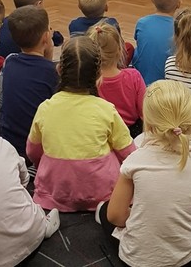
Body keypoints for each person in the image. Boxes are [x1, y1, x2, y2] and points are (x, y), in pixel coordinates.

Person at [96, 80, 191, 267]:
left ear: (148, 121)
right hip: (185, 257)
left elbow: (115, 217)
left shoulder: (136, 160)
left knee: (106, 210)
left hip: (136, 259)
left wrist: (142, 217)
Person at [26, 35, 136, 212]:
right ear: (99, 74)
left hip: (55, 190)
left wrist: (47, 166)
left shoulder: (45, 107)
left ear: (59, 70)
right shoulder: (106, 109)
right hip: (101, 193)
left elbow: (32, 151)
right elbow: (129, 152)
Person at [0, 80, 60, 267]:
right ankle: (46, 224)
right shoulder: (3, 146)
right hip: (30, 237)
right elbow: (24, 179)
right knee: (29, 204)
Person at [0, 5, 58, 159]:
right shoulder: (53, 72)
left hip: (8, 141)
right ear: (45, 37)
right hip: (35, 147)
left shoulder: (9, 61)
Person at [88, 22, 146, 138]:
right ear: (120, 50)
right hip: (131, 133)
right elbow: (144, 113)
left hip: (100, 134)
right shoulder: (134, 76)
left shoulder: (87, 81)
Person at [131, 0, 181, 85]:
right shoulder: (180, 28)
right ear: (179, 4)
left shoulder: (142, 23)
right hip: (169, 84)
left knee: (135, 49)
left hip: (143, 82)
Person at [69, 0, 134, 61]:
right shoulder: (112, 24)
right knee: (129, 47)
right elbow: (119, 47)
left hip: (85, 64)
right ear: (106, 7)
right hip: (109, 63)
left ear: (79, 6)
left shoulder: (74, 26)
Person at [0, 0, 64, 58]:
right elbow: (59, 40)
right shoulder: (38, 25)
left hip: (4, 62)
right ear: (38, 4)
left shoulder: (4, 22)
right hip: (26, 63)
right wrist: (50, 32)